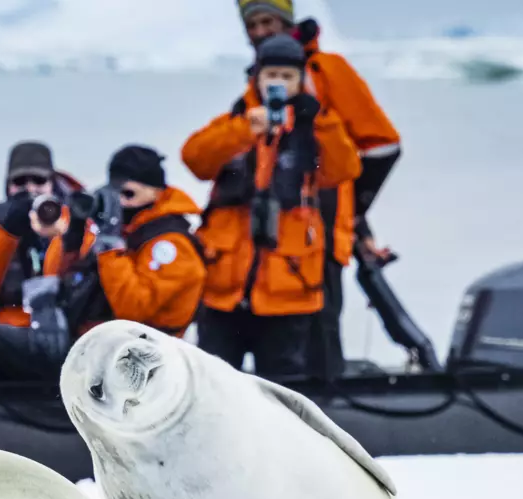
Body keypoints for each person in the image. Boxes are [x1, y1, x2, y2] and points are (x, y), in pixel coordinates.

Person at [236, 0, 403, 379]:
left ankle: (328, 400)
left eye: (268, 21)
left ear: (286, 20)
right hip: (278, 233)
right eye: (252, 25)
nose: (260, 31)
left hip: (321, 228)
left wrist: (354, 212)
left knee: (319, 327)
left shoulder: (324, 70)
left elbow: (383, 146)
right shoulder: (262, 74)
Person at [181, 33, 362, 380]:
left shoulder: (317, 127)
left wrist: (321, 119)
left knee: (282, 389)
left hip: (288, 289)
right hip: (224, 288)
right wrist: (247, 128)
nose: (278, 83)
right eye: (271, 75)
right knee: (212, 383)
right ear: (257, 77)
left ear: (301, 80)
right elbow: (195, 159)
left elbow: (344, 170)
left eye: (287, 76)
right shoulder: (238, 120)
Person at [43, 145, 208, 339]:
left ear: (157, 192)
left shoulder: (173, 245)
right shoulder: (121, 231)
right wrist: (74, 235)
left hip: (145, 348)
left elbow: (133, 310)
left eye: (128, 194)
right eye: (114, 193)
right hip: (97, 339)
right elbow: (55, 278)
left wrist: (110, 249)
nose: (120, 202)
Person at [0, 141, 86, 380]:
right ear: (7, 187)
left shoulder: (79, 228)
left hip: (68, 330)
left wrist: (66, 235)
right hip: (16, 329)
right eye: (20, 182)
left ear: (52, 184)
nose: (30, 189)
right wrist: (7, 235)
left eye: (39, 181)